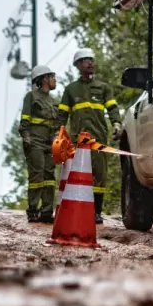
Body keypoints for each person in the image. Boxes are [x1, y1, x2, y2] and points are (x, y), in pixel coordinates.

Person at [58, 48, 119, 223]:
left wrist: (116, 123)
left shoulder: (103, 88)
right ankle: (77, 210)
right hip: (79, 142)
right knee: (78, 175)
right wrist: (59, 134)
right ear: (78, 65)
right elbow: (62, 116)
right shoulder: (71, 90)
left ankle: (96, 212)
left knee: (99, 175)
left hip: (99, 139)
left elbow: (113, 109)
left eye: (91, 60)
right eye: (85, 60)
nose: (90, 63)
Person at [18, 64, 61, 223]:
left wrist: (58, 135)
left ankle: (47, 211)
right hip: (35, 142)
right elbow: (25, 119)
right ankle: (33, 210)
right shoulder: (31, 96)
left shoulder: (53, 101)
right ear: (44, 79)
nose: (55, 80)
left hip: (50, 143)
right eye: (52, 77)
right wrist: (26, 136)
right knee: (37, 175)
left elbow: (57, 123)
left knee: (50, 176)